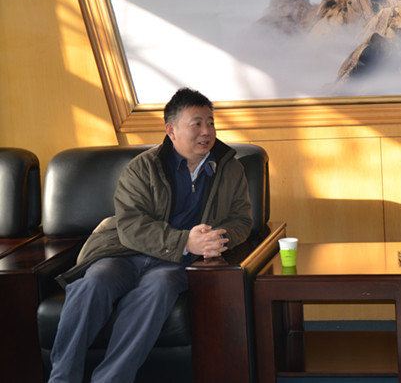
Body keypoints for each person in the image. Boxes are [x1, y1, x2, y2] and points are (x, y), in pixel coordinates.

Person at [48, 88, 253, 383]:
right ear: (171, 130)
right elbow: (131, 224)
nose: (207, 131)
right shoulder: (143, 167)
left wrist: (217, 239)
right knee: (93, 283)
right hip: (125, 252)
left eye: (210, 122)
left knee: (159, 287)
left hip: (177, 263)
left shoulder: (229, 168)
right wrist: (185, 241)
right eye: (196, 123)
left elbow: (242, 220)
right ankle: (61, 378)